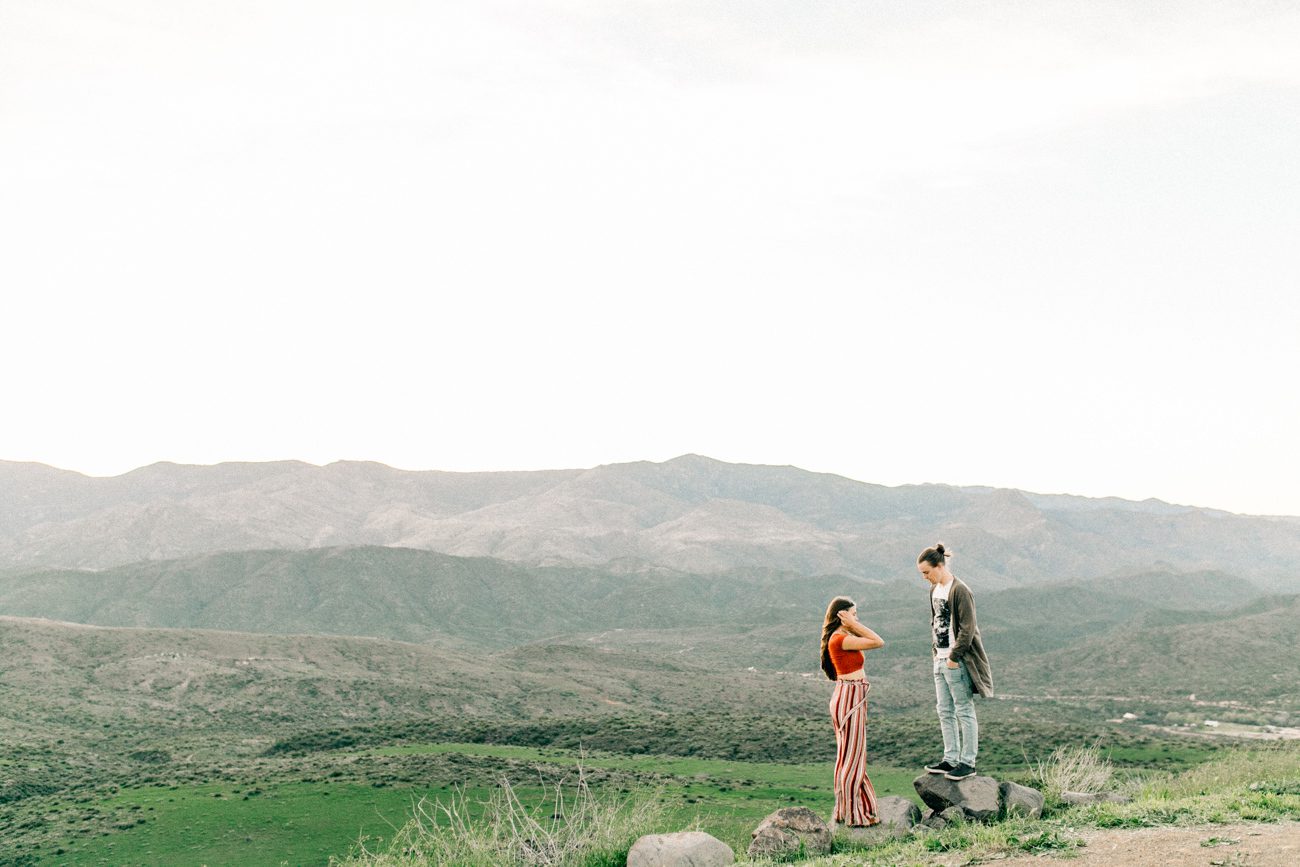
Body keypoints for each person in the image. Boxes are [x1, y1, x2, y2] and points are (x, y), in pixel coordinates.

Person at [917, 543, 993, 781]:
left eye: (927, 572)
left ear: (939, 566)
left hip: (954, 660)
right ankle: (950, 759)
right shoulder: (934, 591)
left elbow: (968, 629)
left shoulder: (960, 590)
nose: (925, 578)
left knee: (963, 709)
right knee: (944, 710)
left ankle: (967, 762)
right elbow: (936, 623)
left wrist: (953, 657)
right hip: (939, 658)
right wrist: (937, 654)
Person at [820, 595, 885, 827]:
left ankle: (846, 808)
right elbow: (878, 641)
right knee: (852, 756)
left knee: (849, 755)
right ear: (842, 615)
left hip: (850, 695)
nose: (857, 618)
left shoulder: (843, 637)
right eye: (853, 614)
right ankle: (853, 812)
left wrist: (852, 624)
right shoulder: (840, 639)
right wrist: (852, 623)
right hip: (850, 697)